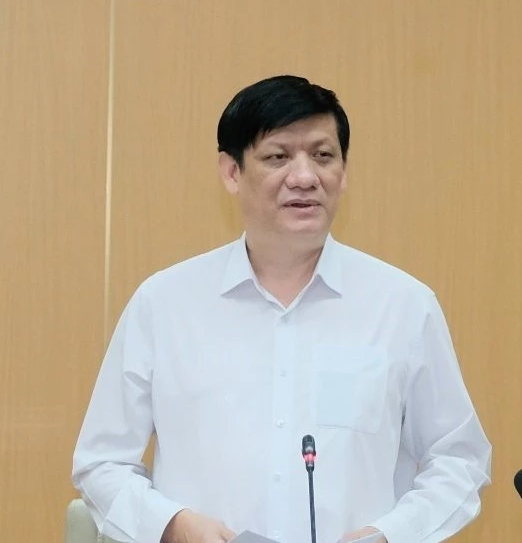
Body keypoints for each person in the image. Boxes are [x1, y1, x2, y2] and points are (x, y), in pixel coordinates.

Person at [73, 75, 491, 543]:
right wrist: (172, 524)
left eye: (323, 155)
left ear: (344, 172)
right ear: (232, 172)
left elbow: (459, 460)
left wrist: (390, 534)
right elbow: (102, 462)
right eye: (278, 157)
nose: (305, 177)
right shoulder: (164, 304)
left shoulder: (404, 306)